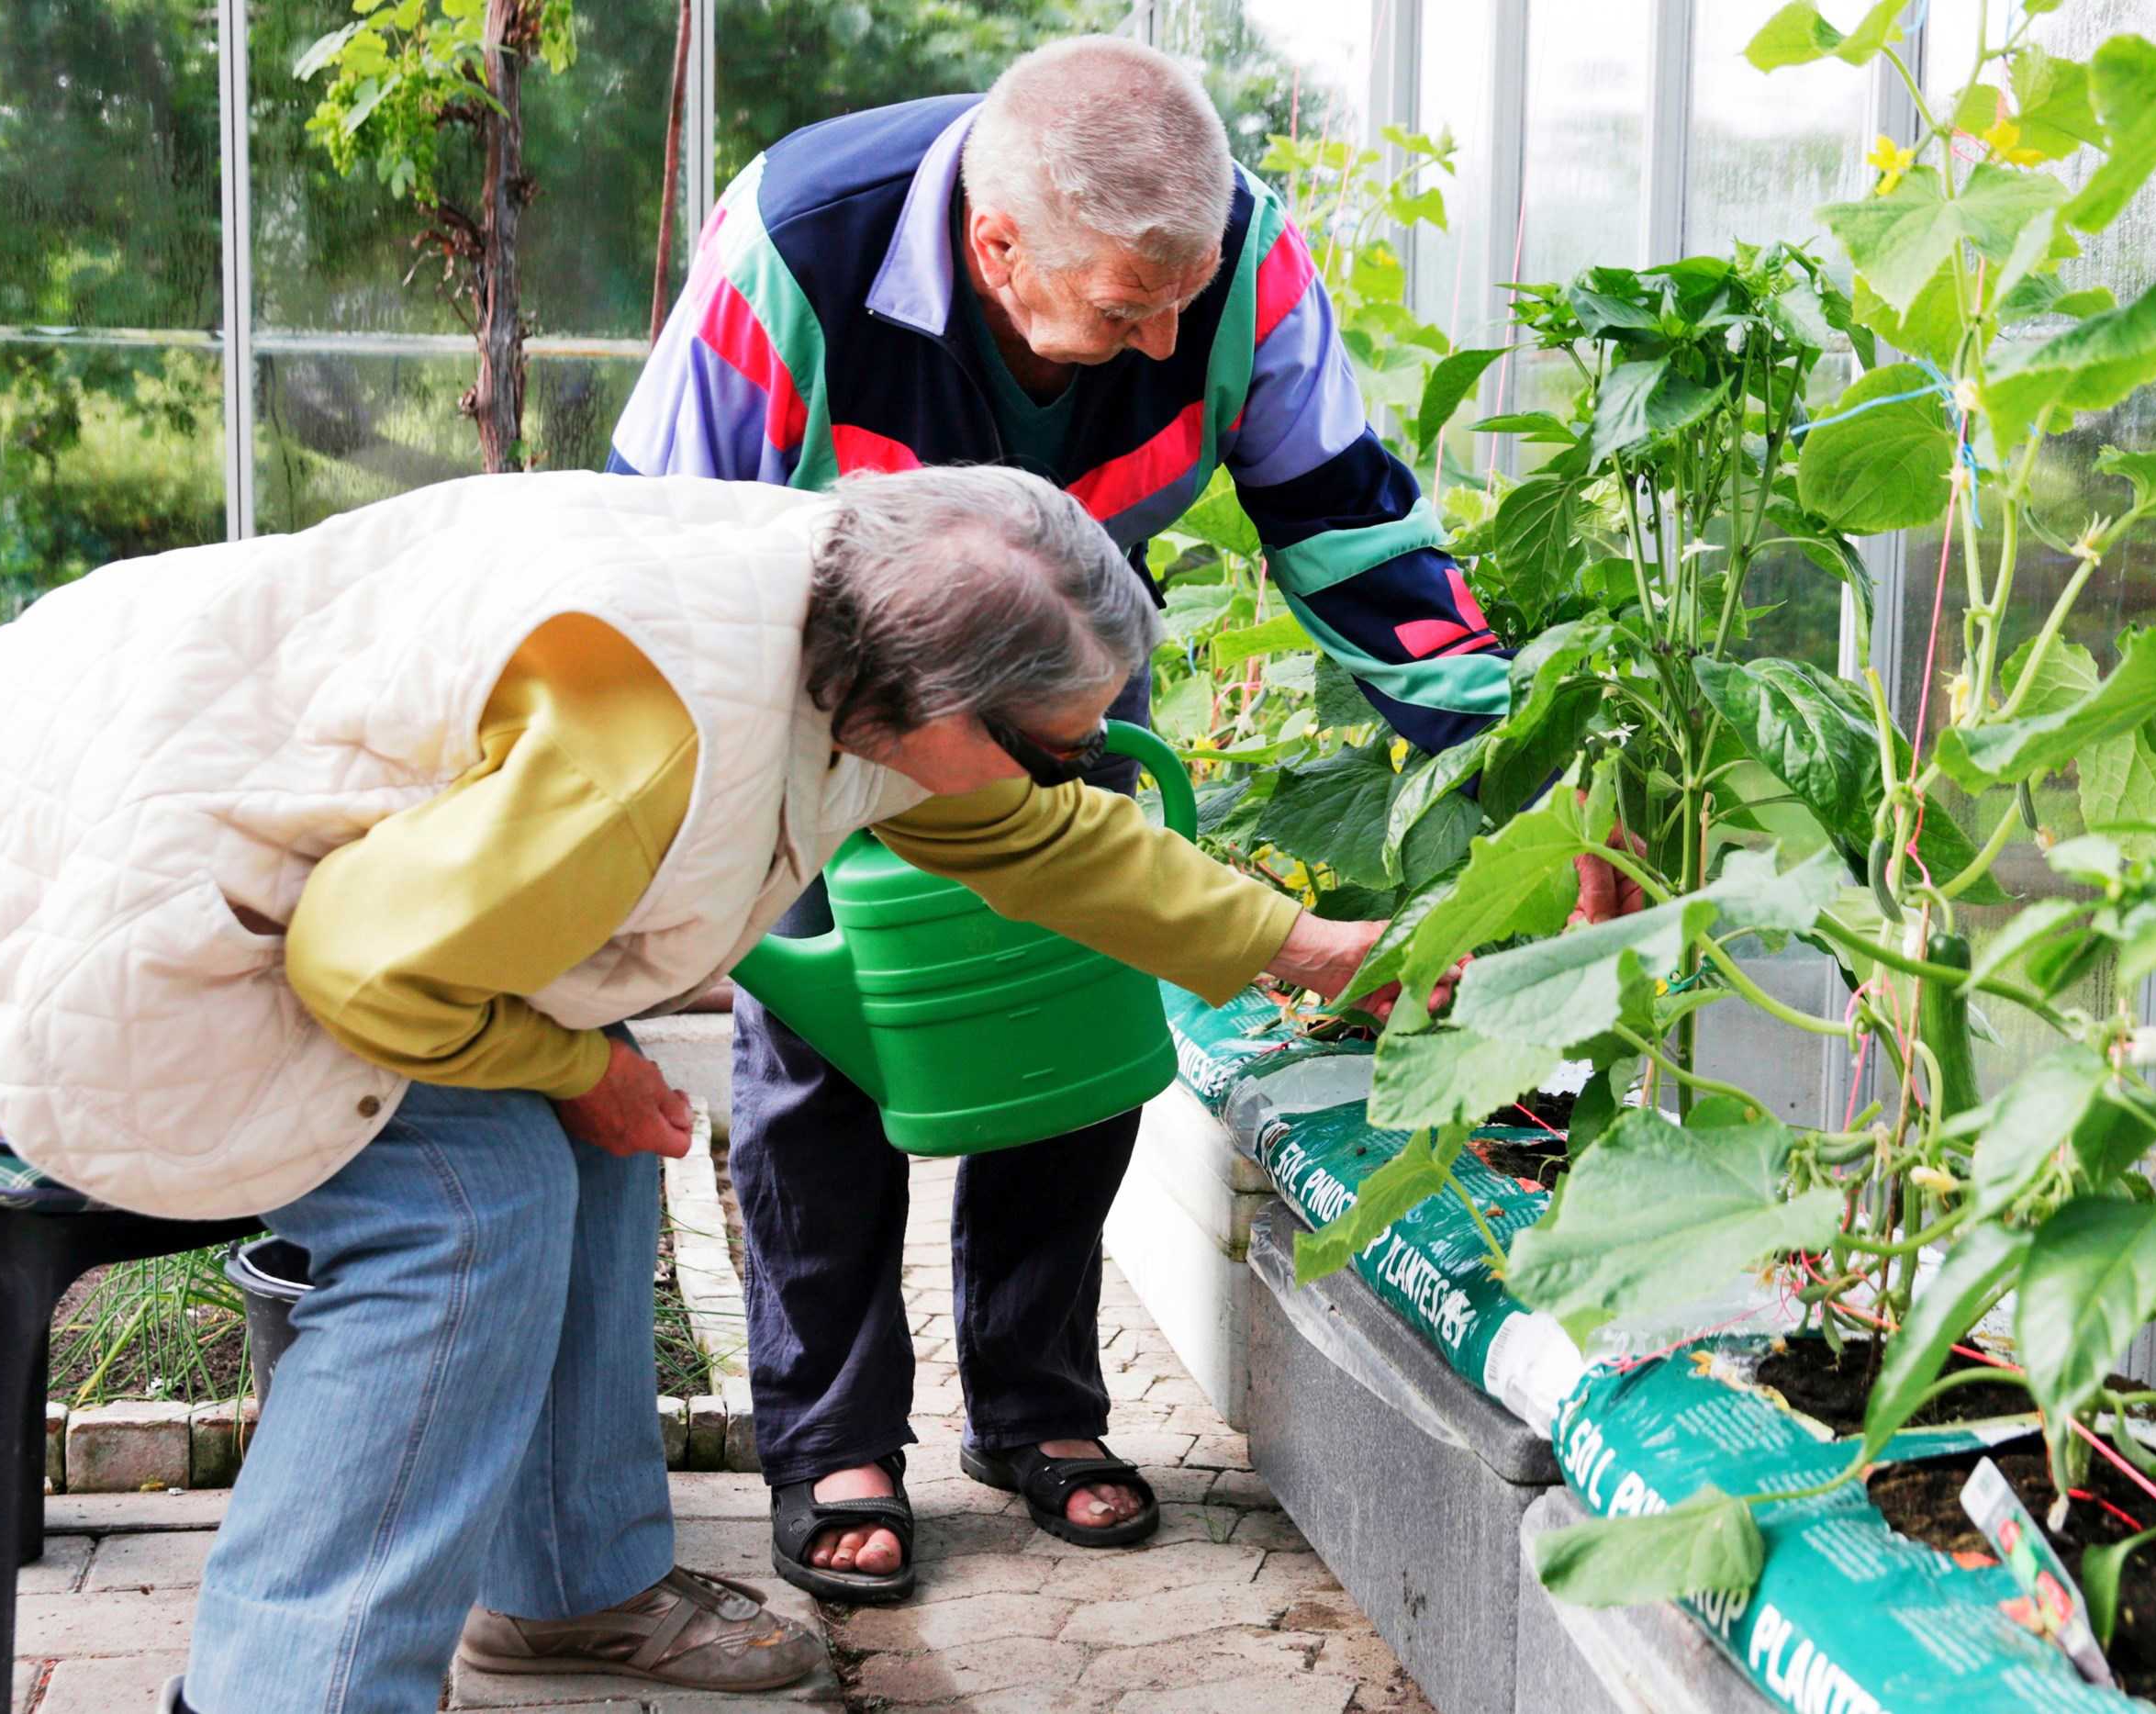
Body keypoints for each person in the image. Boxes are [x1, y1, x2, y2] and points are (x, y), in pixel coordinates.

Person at [0, 464, 1405, 1712]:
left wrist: (1310, 947)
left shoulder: (837, 629)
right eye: (1047, 742)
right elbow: (364, 969)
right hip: (155, 921)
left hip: (260, 841)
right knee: (472, 1201)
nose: (1062, 770)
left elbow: (1043, 840)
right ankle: (288, 1686)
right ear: (936, 703)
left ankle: (568, 1590)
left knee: (586, 1149)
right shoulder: (654, 738)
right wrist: (578, 1065)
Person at [608, 34, 1532, 1598]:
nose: (1174, 336)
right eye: (1127, 311)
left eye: (1187, 295)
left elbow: (1354, 528)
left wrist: (1518, 769)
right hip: (829, 685)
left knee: (1081, 1029)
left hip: (1072, 670)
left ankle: (1038, 1409)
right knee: (827, 1039)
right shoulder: (798, 247)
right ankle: (837, 1436)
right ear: (997, 246)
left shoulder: (1230, 252)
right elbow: (657, 564)